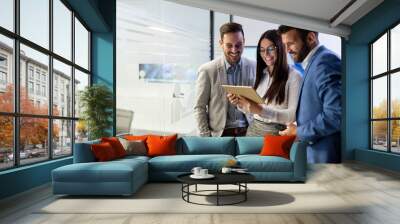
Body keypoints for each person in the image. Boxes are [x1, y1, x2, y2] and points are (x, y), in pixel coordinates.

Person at [278, 25, 342, 163]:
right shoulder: (313, 63)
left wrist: (298, 132)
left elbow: (335, 114)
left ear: (310, 38)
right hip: (316, 154)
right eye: (284, 45)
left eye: (291, 44)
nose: (287, 50)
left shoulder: (325, 62)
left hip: (326, 157)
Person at [227, 30, 302, 136]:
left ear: (281, 48)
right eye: (262, 50)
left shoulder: (294, 77)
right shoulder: (262, 74)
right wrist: (241, 104)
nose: (266, 54)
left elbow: (292, 115)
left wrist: (261, 110)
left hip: (276, 132)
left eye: (270, 49)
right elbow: (253, 111)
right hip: (253, 129)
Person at [194, 22, 256, 137]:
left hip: (249, 133)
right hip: (219, 135)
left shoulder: (254, 67)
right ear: (221, 44)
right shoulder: (207, 70)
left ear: (244, 42)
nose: (234, 50)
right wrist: (206, 137)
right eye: (229, 45)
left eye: (238, 45)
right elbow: (199, 107)